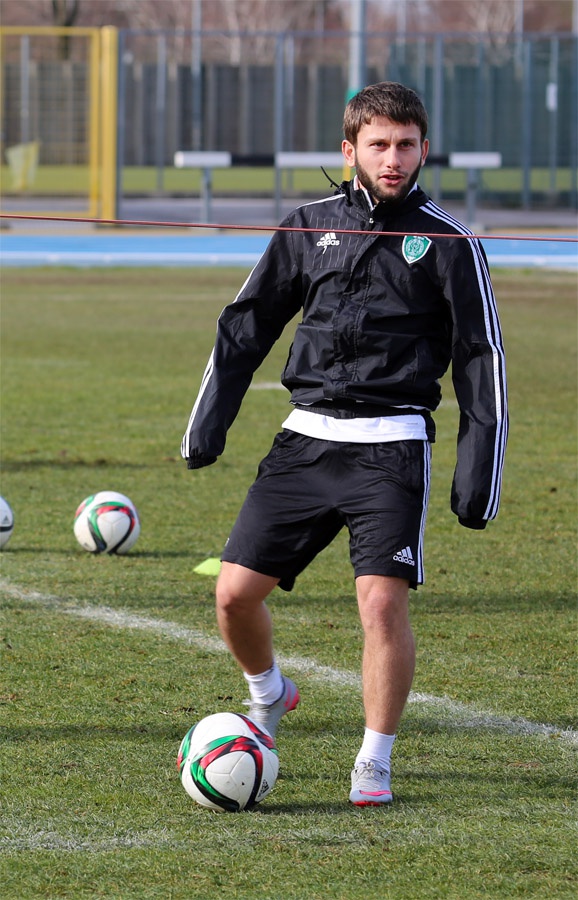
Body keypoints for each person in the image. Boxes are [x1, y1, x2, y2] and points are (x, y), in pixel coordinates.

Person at [181, 81, 508, 806]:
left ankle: (374, 759)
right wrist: (209, 420)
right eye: (378, 144)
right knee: (233, 597)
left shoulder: (450, 242)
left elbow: (481, 358)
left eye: (406, 145)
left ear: (424, 149)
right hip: (304, 441)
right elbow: (247, 325)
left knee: (381, 607)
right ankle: (269, 694)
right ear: (349, 149)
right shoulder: (308, 225)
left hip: (391, 448)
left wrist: (478, 474)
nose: (393, 159)